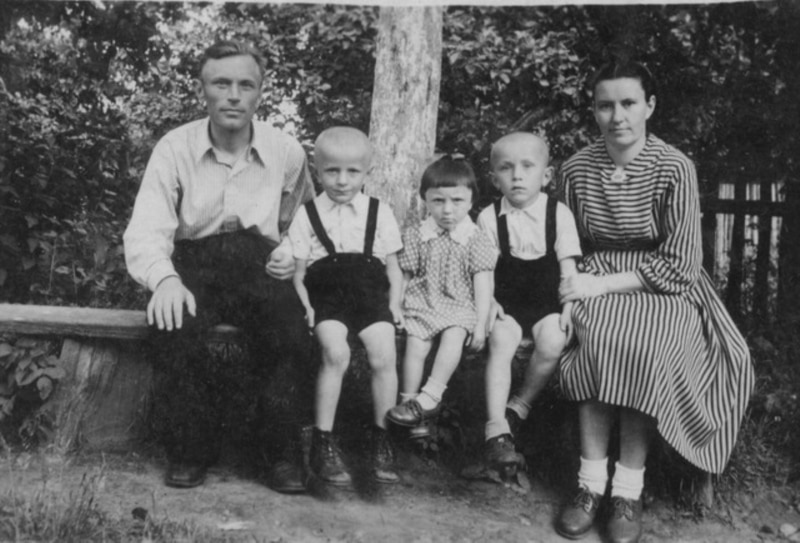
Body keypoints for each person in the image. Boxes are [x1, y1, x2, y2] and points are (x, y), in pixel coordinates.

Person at [554, 60, 754, 543]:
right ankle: (589, 484)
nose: (617, 116)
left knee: (649, 342)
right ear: (594, 111)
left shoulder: (674, 167)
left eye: (628, 103)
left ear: (650, 106)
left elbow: (681, 264)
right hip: (591, 275)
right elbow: (565, 243)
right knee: (600, 335)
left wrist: (605, 286)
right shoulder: (576, 169)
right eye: (605, 105)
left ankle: (628, 489)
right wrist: (572, 290)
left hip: (660, 282)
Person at [123, 40, 316, 493]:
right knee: (172, 322)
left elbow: (305, 221)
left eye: (245, 85)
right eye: (221, 83)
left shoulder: (286, 151)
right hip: (195, 260)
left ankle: (281, 452)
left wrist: (292, 252)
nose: (233, 95)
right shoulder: (174, 148)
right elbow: (147, 226)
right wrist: (165, 279)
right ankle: (190, 448)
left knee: (291, 327)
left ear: (260, 93)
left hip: (259, 261)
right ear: (202, 90)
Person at [289, 127, 403, 486]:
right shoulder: (307, 214)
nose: (342, 180)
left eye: (353, 172)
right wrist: (307, 306)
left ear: (367, 172)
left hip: (370, 297)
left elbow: (393, 268)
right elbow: (298, 274)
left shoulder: (379, 212)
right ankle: (322, 442)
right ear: (317, 171)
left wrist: (395, 303)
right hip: (327, 298)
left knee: (384, 354)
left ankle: (382, 439)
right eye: (332, 171)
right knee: (336, 354)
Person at [476, 132, 581, 474]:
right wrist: (490, 301)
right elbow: (483, 270)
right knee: (501, 339)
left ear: (546, 176)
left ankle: (518, 407)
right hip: (507, 304)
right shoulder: (489, 217)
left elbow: (568, 268)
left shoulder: (558, 214)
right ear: (494, 179)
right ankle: (495, 429)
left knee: (553, 339)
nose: (517, 176)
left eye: (527, 167)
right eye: (506, 168)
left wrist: (568, 306)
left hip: (547, 303)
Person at [386, 156, 497, 436]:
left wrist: (481, 323)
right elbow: (407, 273)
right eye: (438, 201)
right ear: (425, 199)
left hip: (459, 304)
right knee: (416, 344)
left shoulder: (474, 237)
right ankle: (409, 406)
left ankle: (431, 397)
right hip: (423, 301)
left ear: (471, 201)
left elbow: (483, 283)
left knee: (454, 334)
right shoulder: (418, 234)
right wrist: (398, 304)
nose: (447, 210)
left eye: (457, 201)